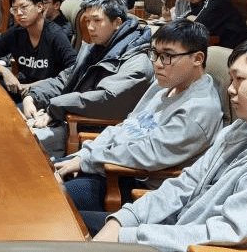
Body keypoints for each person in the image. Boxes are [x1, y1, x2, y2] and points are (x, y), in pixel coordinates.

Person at [91, 36, 247, 252]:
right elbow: (185, 183)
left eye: (239, 79)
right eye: (230, 80)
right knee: (69, 227)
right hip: (172, 228)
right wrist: (125, 219)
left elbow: (228, 232)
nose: (230, 89)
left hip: (190, 244)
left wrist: (128, 236)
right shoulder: (240, 129)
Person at [55, 20, 223, 234]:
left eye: (167, 56)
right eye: (155, 54)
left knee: (51, 204)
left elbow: (145, 154)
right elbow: (127, 125)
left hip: (134, 184)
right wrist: (82, 155)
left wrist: (87, 161)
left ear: (197, 59)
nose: (158, 64)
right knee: (41, 176)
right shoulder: (163, 85)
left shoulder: (199, 110)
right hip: (107, 164)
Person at [22, 0, 153, 158]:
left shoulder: (136, 61)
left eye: (97, 20)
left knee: (22, 144)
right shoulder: (97, 48)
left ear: (117, 23)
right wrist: (33, 96)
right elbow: (65, 79)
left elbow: (107, 99)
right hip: (70, 116)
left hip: (95, 133)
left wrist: (56, 107)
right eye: (88, 21)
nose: (90, 27)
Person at [0, 0, 77, 99]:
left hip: (46, 94)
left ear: (39, 7)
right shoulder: (16, 33)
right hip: (22, 88)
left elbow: (74, 72)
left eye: (24, 7)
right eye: (14, 9)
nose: (19, 13)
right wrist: (5, 71)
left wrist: (31, 86)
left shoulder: (55, 35)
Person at [180, 0, 247, 49]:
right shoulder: (198, 1)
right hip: (216, 45)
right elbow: (186, 21)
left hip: (236, 48)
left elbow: (200, 26)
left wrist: (193, 19)